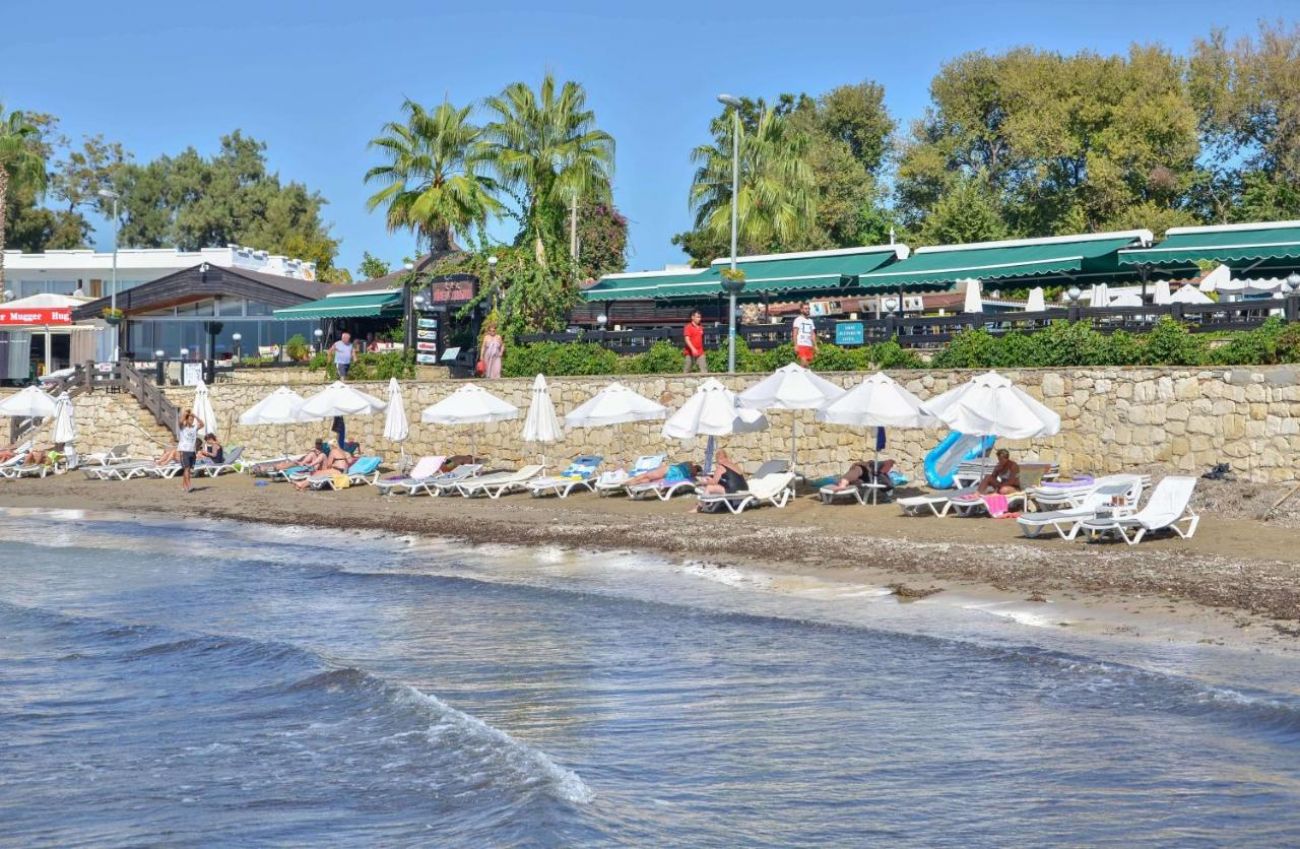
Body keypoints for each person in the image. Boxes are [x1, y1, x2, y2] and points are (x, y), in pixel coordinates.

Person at [251, 440, 327, 475]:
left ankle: (264, 469)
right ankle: (263, 468)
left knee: (282, 466)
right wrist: (310, 452)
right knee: (283, 464)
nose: (318, 445)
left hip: (305, 466)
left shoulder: (322, 454)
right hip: (302, 463)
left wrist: (304, 462)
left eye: (319, 444)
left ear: (321, 445)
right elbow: (308, 458)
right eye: (317, 444)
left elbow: (315, 464)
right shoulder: (313, 452)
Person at [175, 409, 204, 493]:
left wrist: (195, 416)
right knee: (187, 468)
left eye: (192, 420)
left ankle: (184, 486)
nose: (192, 421)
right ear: (186, 420)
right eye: (190, 419)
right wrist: (185, 414)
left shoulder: (194, 428)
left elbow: (202, 424)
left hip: (192, 451)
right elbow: (180, 422)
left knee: (187, 469)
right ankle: (189, 486)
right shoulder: (183, 428)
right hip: (184, 450)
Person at [830, 459, 896, 494]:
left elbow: (889, 484)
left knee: (856, 475)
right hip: (864, 470)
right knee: (857, 471)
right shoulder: (887, 463)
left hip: (864, 477)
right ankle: (842, 484)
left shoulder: (884, 471)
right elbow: (887, 465)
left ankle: (842, 484)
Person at [624, 460, 702, 488]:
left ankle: (630, 483)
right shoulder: (691, 468)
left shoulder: (691, 470)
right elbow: (695, 475)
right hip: (670, 473)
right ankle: (631, 482)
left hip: (670, 473)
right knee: (648, 477)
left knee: (648, 478)